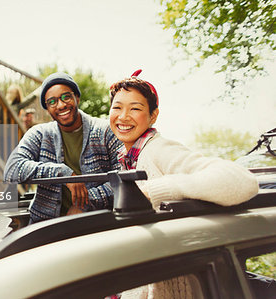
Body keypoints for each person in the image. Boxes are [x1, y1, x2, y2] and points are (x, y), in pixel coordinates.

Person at [109, 69, 259, 298]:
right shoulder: (128, 157)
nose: (123, 116)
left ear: (153, 116)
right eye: (117, 107)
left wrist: (159, 189)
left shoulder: (158, 149)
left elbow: (243, 182)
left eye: (135, 108)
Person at [4, 72, 123, 223]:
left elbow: (123, 178)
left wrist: (84, 203)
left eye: (66, 97)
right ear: (47, 108)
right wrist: (62, 172)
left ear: (77, 98)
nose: (60, 105)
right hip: (45, 226)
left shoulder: (105, 131)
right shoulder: (39, 134)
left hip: (96, 226)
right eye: (52, 101)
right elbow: (12, 170)